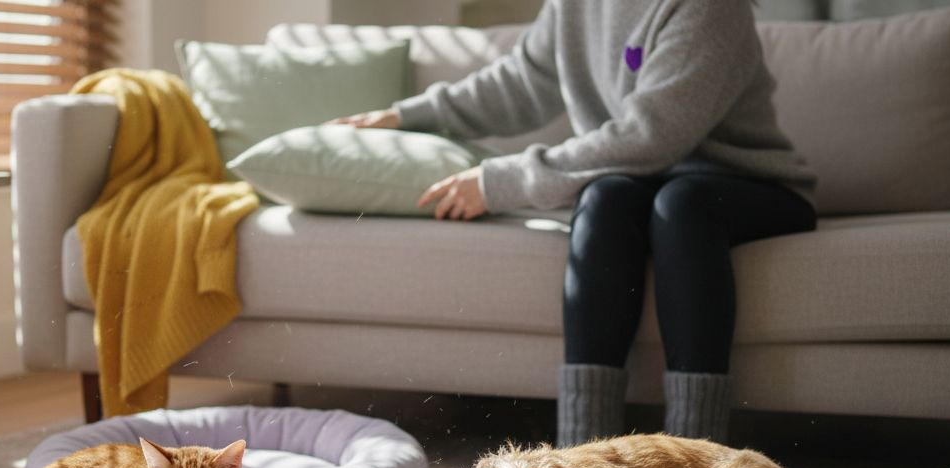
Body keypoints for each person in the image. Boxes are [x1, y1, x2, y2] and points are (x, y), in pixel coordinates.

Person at [331, 0, 817, 445]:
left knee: (683, 203)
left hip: (748, 184)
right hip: (646, 186)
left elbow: (651, 136)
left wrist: (501, 180)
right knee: (604, 196)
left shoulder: (709, 8)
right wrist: (404, 116)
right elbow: (520, 83)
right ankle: (582, 454)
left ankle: (696, 455)